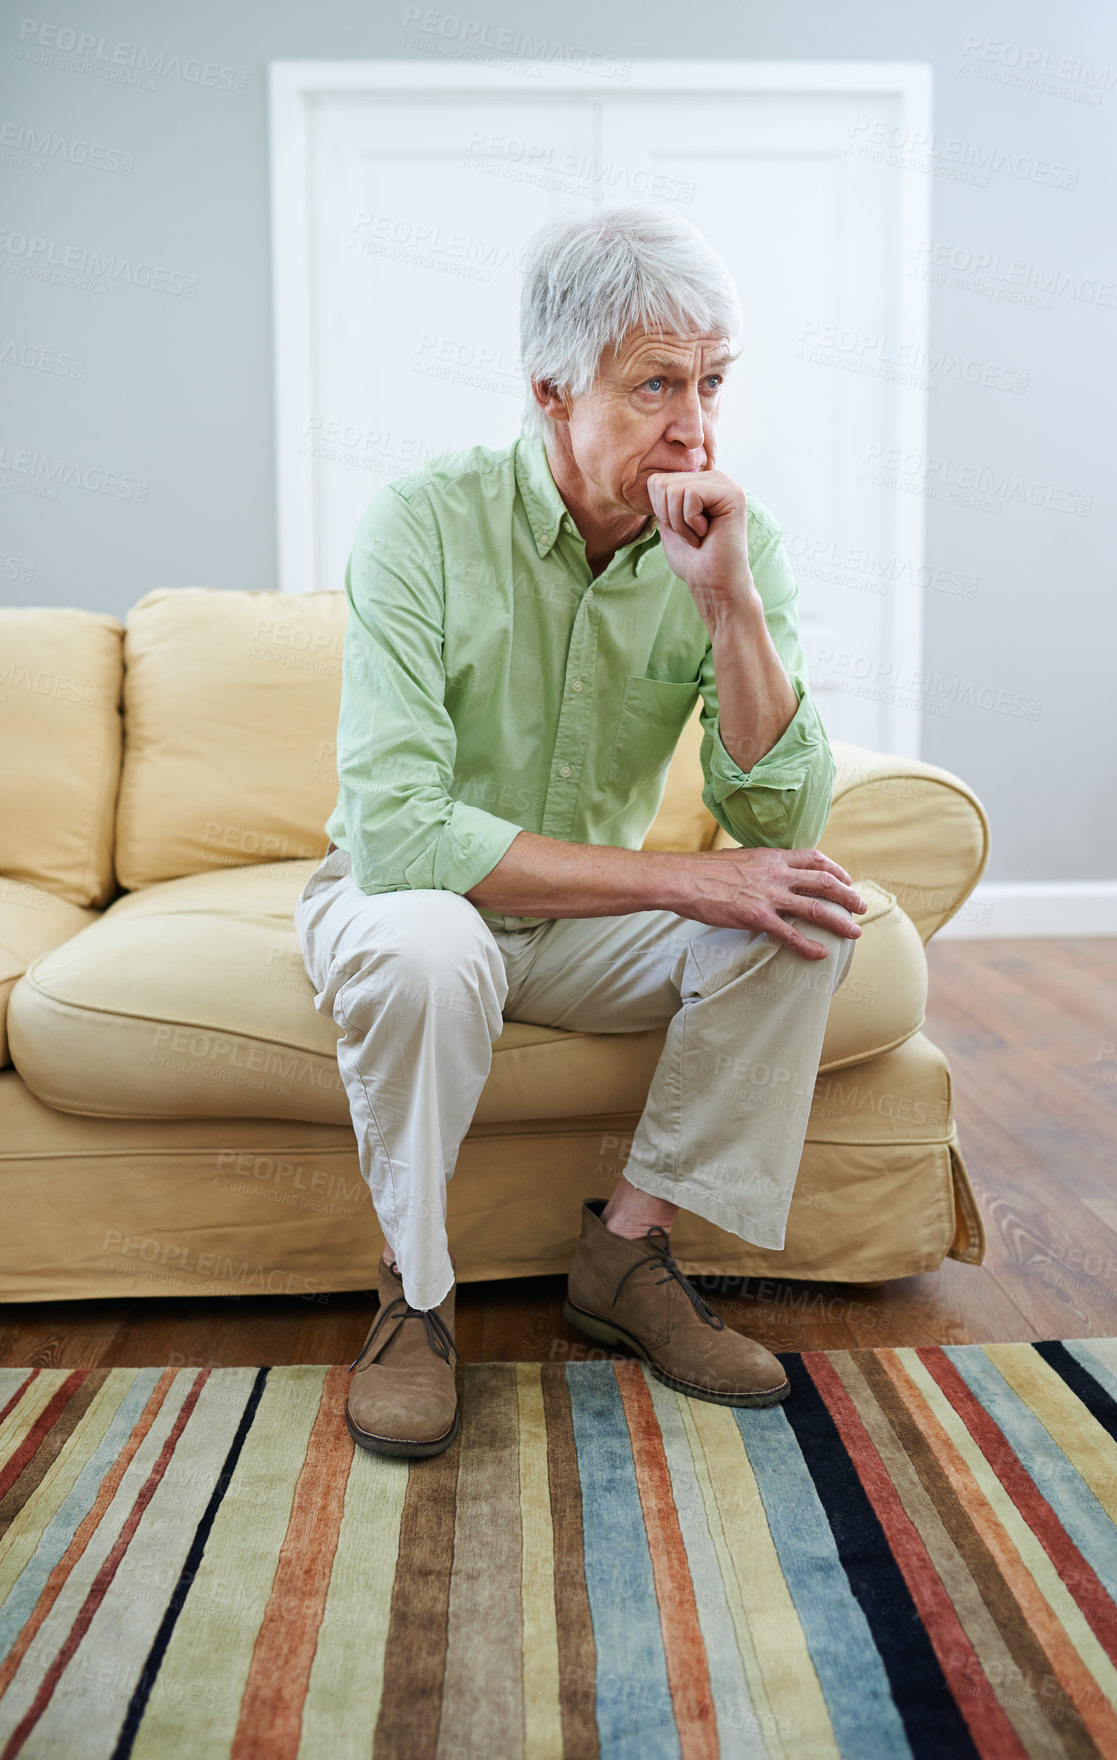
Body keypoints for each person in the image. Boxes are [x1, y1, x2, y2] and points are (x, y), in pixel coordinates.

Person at [294, 201, 866, 1458]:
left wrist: (732, 609)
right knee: (433, 945)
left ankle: (626, 1253)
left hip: (577, 924)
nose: (696, 425)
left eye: (712, 380)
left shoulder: (729, 538)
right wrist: (682, 880)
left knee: (808, 913)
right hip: (407, 904)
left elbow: (782, 815)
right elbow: (397, 834)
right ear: (554, 388)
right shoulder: (421, 524)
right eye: (656, 383)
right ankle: (416, 1296)